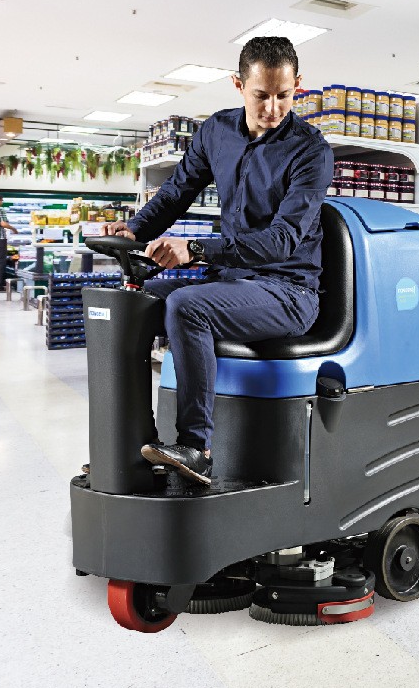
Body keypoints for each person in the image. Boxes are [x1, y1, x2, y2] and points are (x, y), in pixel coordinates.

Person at [102, 36, 334, 485]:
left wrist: (198, 249)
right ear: (238, 85)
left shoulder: (311, 150)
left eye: (284, 95)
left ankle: (196, 447)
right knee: (142, 299)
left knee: (189, 306)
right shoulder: (216, 132)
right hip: (234, 278)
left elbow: (284, 240)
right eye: (260, 95)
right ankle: (132, 441)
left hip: (288, 291)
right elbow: (176, 192)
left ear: (297, 85)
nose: (272, 108)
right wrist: (136, 229)